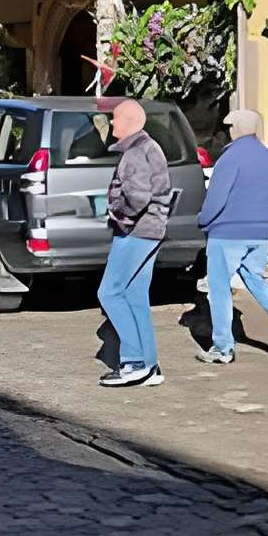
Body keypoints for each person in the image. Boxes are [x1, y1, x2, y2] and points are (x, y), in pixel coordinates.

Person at [194, 106, 268, 368]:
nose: (228, 132)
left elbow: (216, 198)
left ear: (238, 129)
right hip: (260, 233)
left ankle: (222, 347)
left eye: (231, 127)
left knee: (219, 289)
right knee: (258, 282)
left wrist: (202, 221)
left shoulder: (230, 158)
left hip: (228, 232)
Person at [95, 98, 169, 387]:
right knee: (136, 297)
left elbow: (137, 199)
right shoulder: (151, 147)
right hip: (150, 231)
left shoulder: (136, 153)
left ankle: (134, 362)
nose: (112, 123)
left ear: (129, 122)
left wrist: (116, 213)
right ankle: (149, 366)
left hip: (135, 232)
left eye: (115, 118)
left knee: (110, 293)